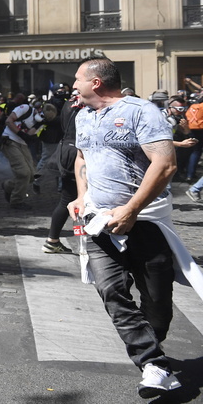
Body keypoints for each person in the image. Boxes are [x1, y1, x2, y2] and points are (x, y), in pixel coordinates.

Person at [68, 57, 187, 398]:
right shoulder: (82, 116)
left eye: (78, 79)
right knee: (112, 291)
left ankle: (153, 350)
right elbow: (82, 159)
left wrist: (132, 209)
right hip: (98, 221)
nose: (73, 85)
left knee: (157, 301)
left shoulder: (142, 111)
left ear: (96, 83)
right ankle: (153, 363)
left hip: (146, 220)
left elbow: (165, 165)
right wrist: (80, 196)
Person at [41, 89, 84, 254]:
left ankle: (53, 240)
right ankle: (87, 244)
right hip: (78, 152)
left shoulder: (69, 103)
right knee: (76, 199)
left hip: (68, 150)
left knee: (68, 198)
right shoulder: (85, 104)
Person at [0, 97, 40, 209]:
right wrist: (21, 134)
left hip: (22, 144)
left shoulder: (39, 121)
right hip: (10, 140)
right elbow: (9, 121)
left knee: (32, 175)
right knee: (23, 173)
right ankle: (16, 201)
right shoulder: (25, 108)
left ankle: (8, 186)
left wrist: (36, 127)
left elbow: (30, 134)